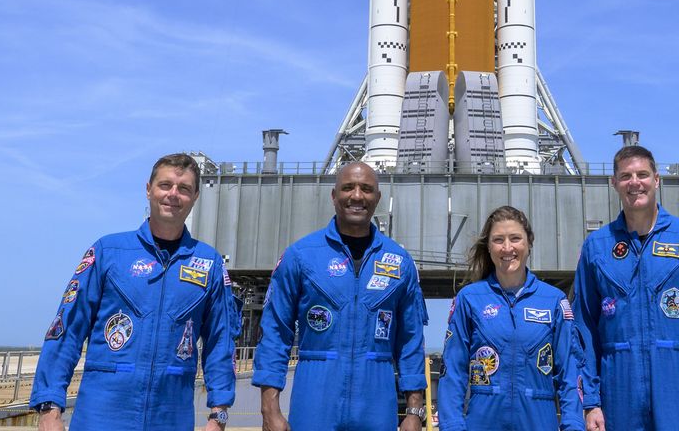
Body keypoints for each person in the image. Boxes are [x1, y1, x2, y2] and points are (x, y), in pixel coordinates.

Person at [29, 153, 239, 431]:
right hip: (102, 415)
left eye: (184, 188)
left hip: (170, 416)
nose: (173, 195)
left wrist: (219, 414)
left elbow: (221, 341)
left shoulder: (209, 263)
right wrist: (49, 407)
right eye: (165, 185)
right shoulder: (108, 252)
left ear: (196, 196)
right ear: (148, 189)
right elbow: (66, 328)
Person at [254, 161, 428, 431]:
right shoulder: (301, 256)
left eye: (366, 189)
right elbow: (275, 332)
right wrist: (269, 408)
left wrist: (415, 411)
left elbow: (411, 340)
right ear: (334, 196)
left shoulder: (400, 262)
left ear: (377, 198)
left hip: (376, 400)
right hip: (315, 397)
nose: (357, 196)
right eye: (348, 188)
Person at [572, 144, 679, 431]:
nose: (635, 183)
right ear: (614, 183)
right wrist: (590, 402)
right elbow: (584, 328)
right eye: (626, 176)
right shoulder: (597, 248)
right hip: (618, 394)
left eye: (642, 174)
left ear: (656, 180)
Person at [439, 205, 587, 431]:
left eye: (515, 238)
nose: (507, 248)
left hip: (538, 421)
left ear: (529, 243)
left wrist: (573, 425)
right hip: (483, 421)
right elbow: (453, 371)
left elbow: (569, 371)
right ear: (488, 247)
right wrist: (452, 426)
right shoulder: (469, 299)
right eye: (498, 240)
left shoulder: (554, 301)